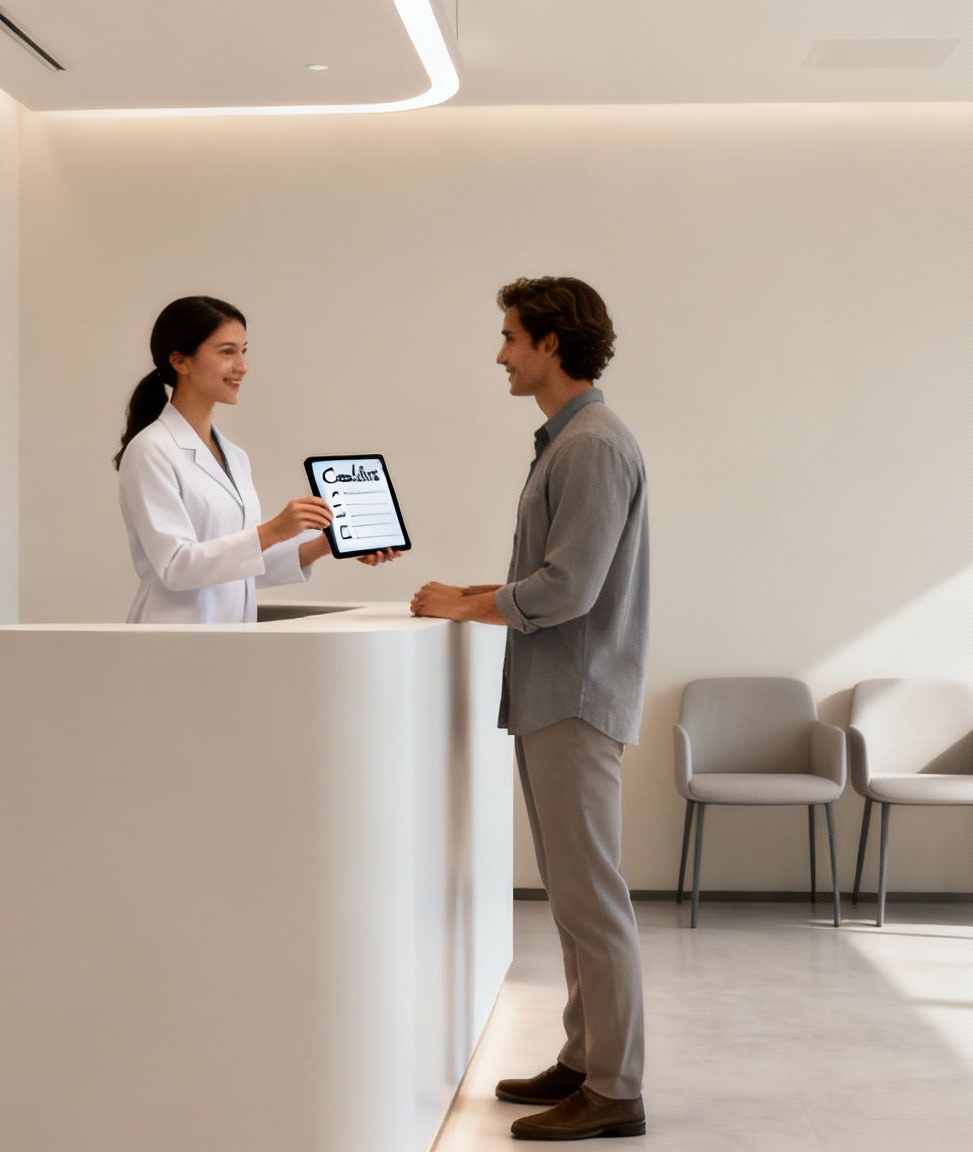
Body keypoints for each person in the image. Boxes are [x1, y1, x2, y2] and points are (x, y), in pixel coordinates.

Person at [411, 277, 650, 1141]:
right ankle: (586, 1059)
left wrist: (473, 605)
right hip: (557, 694)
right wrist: (476, 592)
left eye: (511, 336)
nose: (501, 353)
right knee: (574, 895)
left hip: (576, 698)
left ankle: (616, 1088)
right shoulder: (569, 441)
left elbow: (570, 587)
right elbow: (551, 576)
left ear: (552, 343)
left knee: (593, 896)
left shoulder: (589, 446)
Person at [116, 296, 394, 623]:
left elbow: (241, 569)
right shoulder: (150, 450)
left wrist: (329, 544)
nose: (242, 366)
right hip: (172, 641)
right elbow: (176, 567)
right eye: (227, 352)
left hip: (234, 645)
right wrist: (273, 530)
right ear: (180, 361)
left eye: (243, 351)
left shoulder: (235, 456)